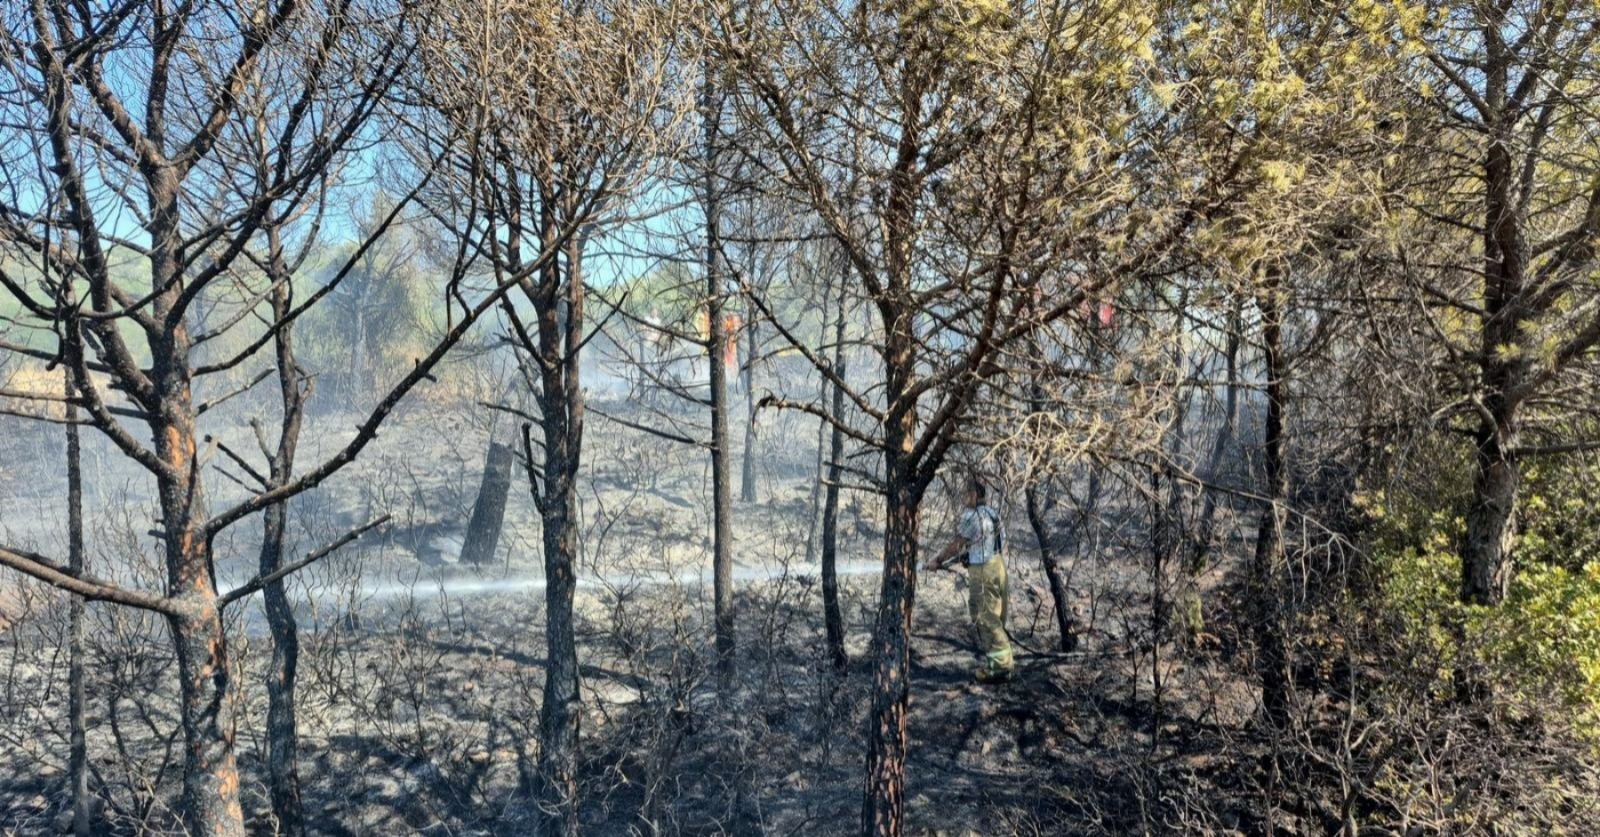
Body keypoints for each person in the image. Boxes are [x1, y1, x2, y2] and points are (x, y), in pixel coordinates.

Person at [923, 477, 1013, 683]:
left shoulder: (971, 516)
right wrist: (970, 556)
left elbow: (956, 544)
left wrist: (937, 560)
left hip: (983, 572)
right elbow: (993, 541)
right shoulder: (993, 513)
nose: (963, 498)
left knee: (985, 618)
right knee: (996, 617)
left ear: (974, 495)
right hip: (999, 566)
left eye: (966, 494)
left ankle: (1000, 669)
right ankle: (1000, 662)